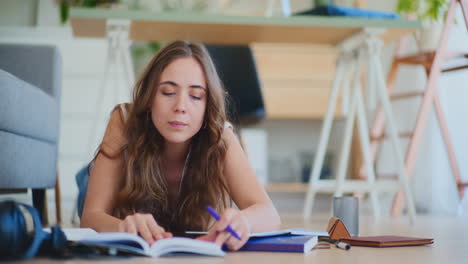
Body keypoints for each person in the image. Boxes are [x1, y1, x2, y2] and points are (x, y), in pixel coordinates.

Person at [80, 40, 281, 251]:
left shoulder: (220, 135)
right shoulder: (124, 120)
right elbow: (90, 217)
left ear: (207, 107)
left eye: (195, 96)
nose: (180, 107)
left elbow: (270, 215)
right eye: (168, 92)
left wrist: (244, 221)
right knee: (86, 183)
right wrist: (123, 227)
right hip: (114, 186)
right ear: (149, 98)